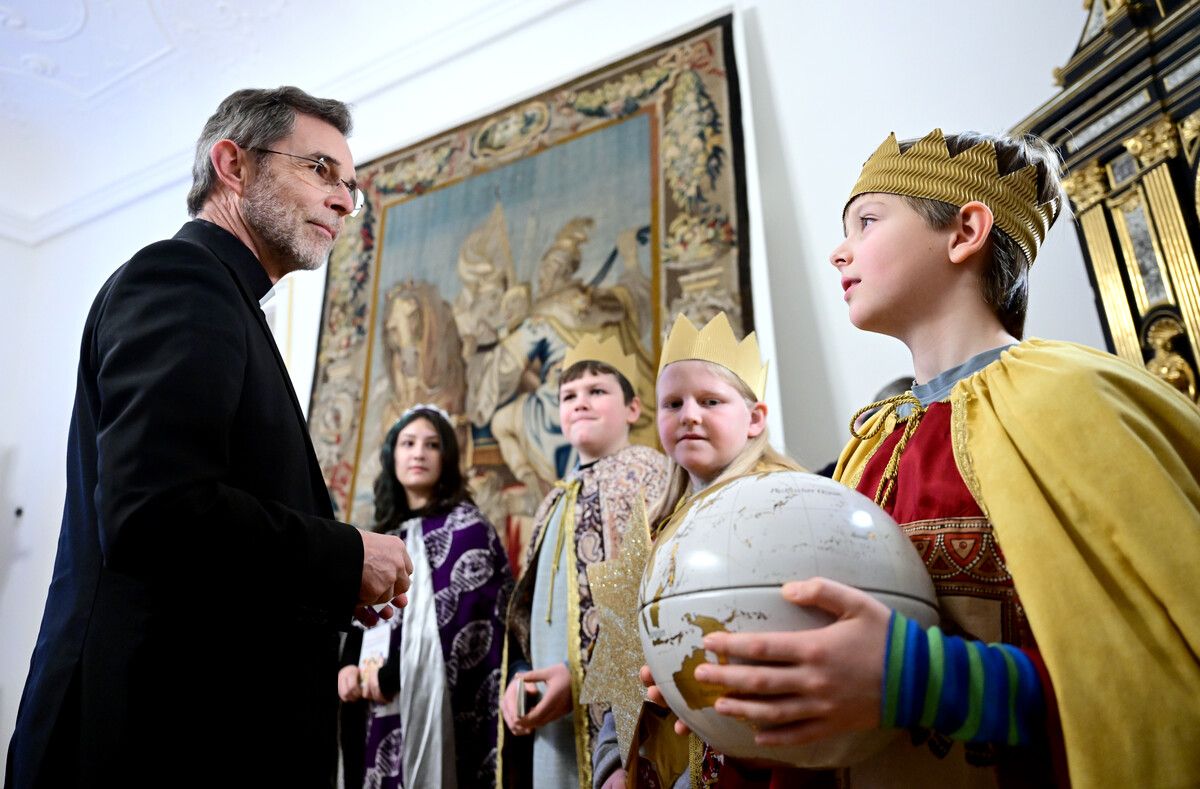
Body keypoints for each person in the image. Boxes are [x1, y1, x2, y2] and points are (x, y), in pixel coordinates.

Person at [667, 129, 1200, 787]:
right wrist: (750, 705)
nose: (839, 252)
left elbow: (1160, 668)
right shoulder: (870, 446)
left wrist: (922, 678)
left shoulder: (1072, 398)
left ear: (964, 231)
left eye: (866, 221)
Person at [6, 87, 414, 788]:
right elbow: (157, 511)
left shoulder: (229, 302)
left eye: (350, 185)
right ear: (234, 165)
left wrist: (329, 584)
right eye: (321, 170)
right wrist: (343, 554)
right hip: (151, 743)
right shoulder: (182, 278)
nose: (345, 200)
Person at [613, 311, 805, 788]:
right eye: (672, 403)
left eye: (711, 400)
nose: (689, 415)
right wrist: (612, 765)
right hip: (660, 760)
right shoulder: (658, 524)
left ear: (756, 417)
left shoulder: (785, 502)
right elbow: (622, 657)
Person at [497, 333, 669, 789]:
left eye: (597, 391)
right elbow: (526, 610)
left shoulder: (650, 475)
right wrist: (520, 677)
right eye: (569, 396)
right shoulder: (552, 498)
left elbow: (649, 596)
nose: (581, 402)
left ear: (632, 409)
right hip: (552, 717)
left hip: (618, 709)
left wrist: (584, 680)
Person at [338, 405, 512, 789]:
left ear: (446, 458)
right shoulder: (379, 537)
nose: (418, 453)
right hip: (376, 711)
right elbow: (359, 616)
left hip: (438, 707)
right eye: (408, 443)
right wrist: (348, 667)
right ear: (392, 456)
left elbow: (465, 628)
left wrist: (391, 674)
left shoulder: (468, 529)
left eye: (432, 445)